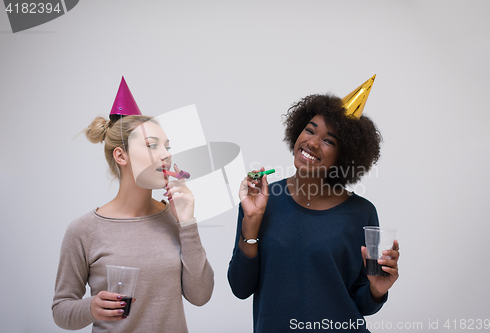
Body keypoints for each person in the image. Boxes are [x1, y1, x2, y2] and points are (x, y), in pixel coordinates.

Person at [227, 88, 400, 332]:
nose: (312, 142)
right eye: (310, 130)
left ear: (344, 156)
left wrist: (376, 290)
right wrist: (251, 221)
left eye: (329, 140)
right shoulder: (261, 201)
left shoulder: (362, 213)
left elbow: (362, 304)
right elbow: (240, 288)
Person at [52, 78, 214, 332]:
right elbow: (61, 311)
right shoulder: (83, 231)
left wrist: (187, 222)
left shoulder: (175, 219)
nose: (166, 154)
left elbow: (200, 296)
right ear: (121, 155)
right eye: (152, 145)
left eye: (167, 146)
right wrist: (91, 307)